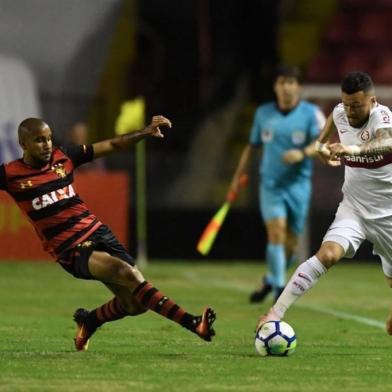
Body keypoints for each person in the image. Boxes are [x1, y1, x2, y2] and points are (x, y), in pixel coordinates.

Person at [0, 116, 216, 351]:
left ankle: (89, 320)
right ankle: (193, 323)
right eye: (40, 140)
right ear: (23, 143)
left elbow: (112, 145)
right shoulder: (11, 174)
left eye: (49, 139)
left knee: (135, 304)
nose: (47, 145)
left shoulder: (64, 157)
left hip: (99, 232)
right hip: (71, 249)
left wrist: (144, 132)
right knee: (127, 274)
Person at [257, 71, 392, 335]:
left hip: (388, 215)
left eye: (357, 105)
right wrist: (320, 147)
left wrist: (351, 150)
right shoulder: (341, 112)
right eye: (347, 104)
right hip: (354, 209)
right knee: (327, 254)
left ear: (372, 101)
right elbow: (333, 119)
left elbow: (386, 142)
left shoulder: (382, 116)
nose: (350, 111)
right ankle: (274, 312)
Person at [229, 65, 325, 303]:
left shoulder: (311, 113)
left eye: (291, 82)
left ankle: (271, 278)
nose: (286, 87)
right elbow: (252, 146)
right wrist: (237, 177)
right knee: (276, 233)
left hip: (298, 186)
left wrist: (301, 154)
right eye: (281, 82)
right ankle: (280, 288)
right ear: (275, 87)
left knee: (290, 244)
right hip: (270, 185)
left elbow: (322, 144)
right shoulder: (263, 113)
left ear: (299, 87)